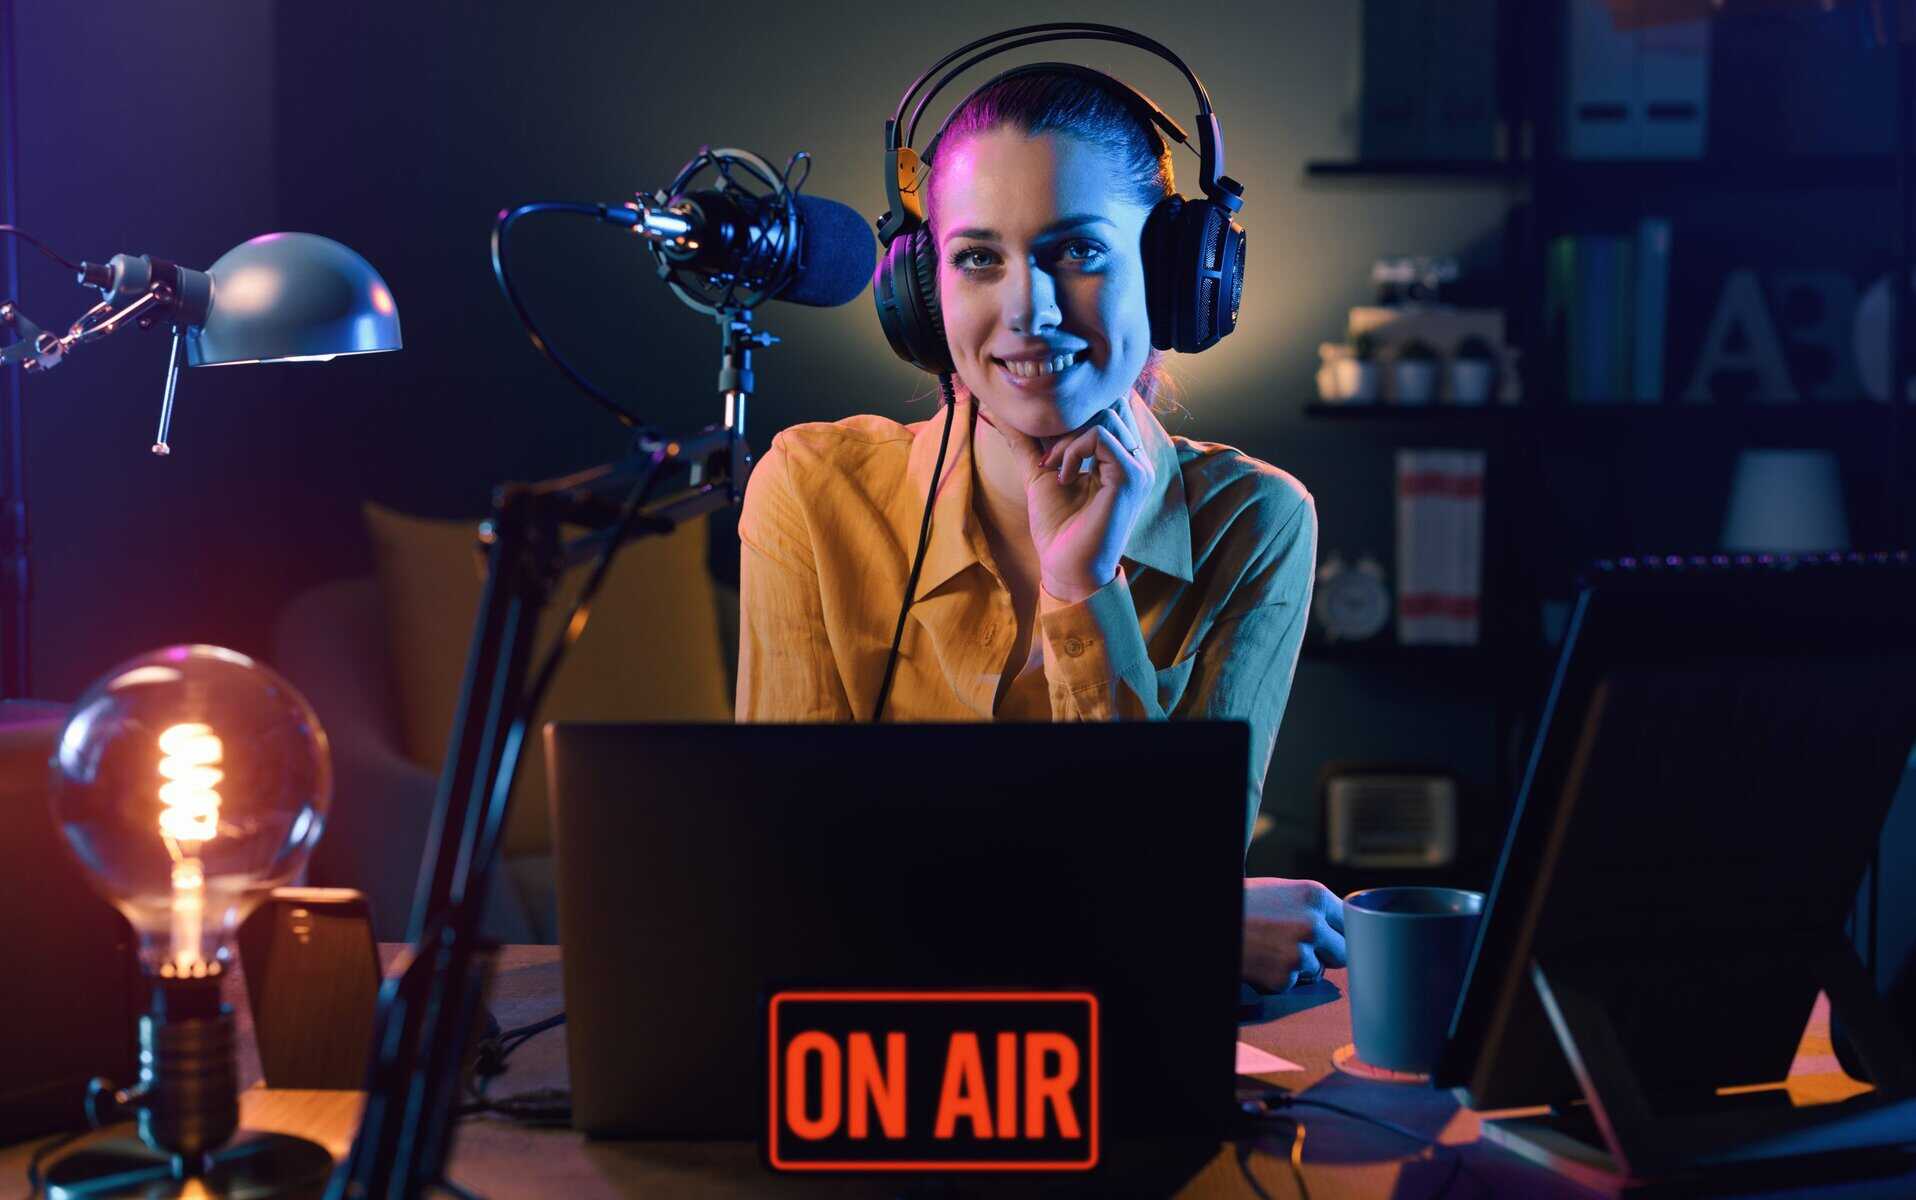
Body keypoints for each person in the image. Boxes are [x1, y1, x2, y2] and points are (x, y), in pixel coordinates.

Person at [736, 63, 1344, 992]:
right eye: (979, 257)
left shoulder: (1259, 523)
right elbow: (788, 889)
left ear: (1180, 275)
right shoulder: (810, 494)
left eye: (1078, 251)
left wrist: (1082, 591)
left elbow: (1165, 871)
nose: (1026, 308)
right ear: (921, 293)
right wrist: (1194, 921)